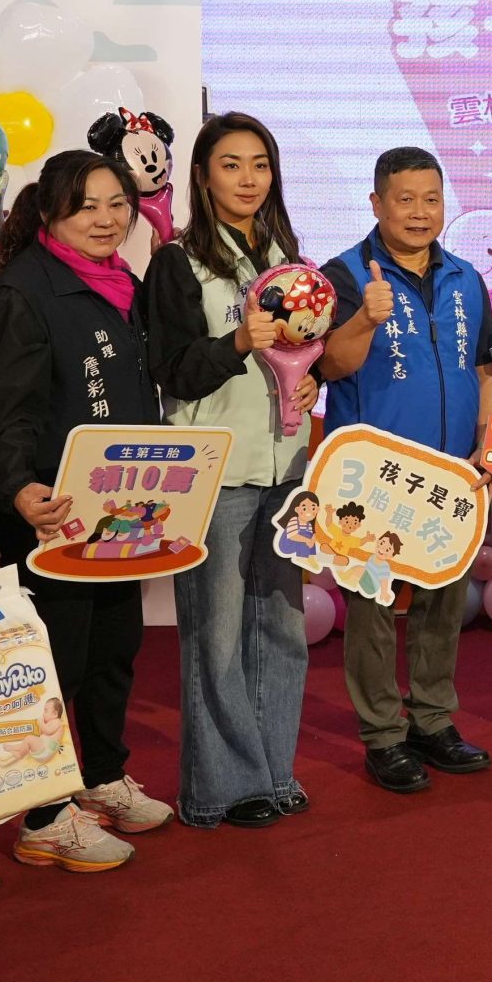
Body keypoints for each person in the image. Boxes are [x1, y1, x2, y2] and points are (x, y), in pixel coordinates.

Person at [0, 150, 173, 869]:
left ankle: (102, 775)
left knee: (114, 646)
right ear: (50, 210)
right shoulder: (24, 291)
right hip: (53, 514)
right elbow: (5, 409)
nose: (106, 219)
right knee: (56, 660)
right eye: (86, 206)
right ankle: (43, 814)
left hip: (120, 512)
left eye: (118, 204)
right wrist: (17, 488)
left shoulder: (123, 283)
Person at [143, 113, 316, 828]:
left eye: (260, 165)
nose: (248, 179)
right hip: (213, 470)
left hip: (287, 464)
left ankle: (274, 772)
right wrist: (240, 340)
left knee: (282, 630)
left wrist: (308, 383)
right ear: (203, 176)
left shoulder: (289, 260)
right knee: (215, 637)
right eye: (231, 165)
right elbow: (173, 370)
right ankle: (222, 789)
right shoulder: (177, 262)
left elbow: (302, 350)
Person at [317, 146, 492, 791]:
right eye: (405, 199)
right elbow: (327, 366)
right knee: (372, 608)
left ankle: (432, 720)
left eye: (431, 199)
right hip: (371, 480)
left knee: (443, 601)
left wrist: (488, 440)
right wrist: (366, 318)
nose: (420, 212)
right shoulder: (342, 276)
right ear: (376, 203)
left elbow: (483, 366)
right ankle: (383, 735)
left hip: (450, 473)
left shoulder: (467, 278)